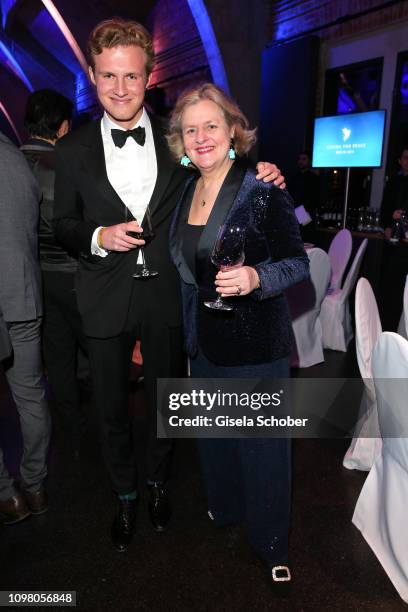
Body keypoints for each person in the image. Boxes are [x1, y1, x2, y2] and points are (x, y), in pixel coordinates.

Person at [54, 17, 284, 553]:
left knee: (165, 402)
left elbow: (219, 164)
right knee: (110, 407)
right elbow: (62, 223)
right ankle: (125, 495)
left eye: (131, 76)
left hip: (166, 297)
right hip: (104, 297)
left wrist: (263, 172)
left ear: (148, 76)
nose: (119, 87)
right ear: (92, 74)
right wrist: (97, 235)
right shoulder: (71, 150)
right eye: (108, 75)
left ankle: (158, 484)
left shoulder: (175, 138)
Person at [167, 83, 310, 585]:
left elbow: (298, 264)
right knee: (215, 436)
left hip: (254, 343)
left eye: (211, 125)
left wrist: (256, 278)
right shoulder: (185, 188)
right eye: (190, 129)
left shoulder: (262, 187)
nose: (201, 136)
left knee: (262, 445)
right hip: (203, 339)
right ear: (181, 140)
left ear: (232, 131)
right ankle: (225, 508)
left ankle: (272, 541)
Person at [21, 89, 88, 456]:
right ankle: (107, 430)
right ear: (63, 127)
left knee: (57, 357)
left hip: (35, 279)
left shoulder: (13, 162)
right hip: (73, 274)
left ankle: (72, 433)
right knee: (97, 350)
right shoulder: (64, 166)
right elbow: (75, 227)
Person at [0, 131, 51, 525]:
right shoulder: (18, 161)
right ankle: (34, 486)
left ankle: (7, 495)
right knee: (31, 398)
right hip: (23, 294)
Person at [380, 146, 408, 237]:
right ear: (399, 161)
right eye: (405, 158)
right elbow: (385, 207)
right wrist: (387, 226)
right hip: (393, 230)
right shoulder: (392, 182)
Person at [288, 150, 320, 221]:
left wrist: (300, 211)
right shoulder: (294, 178)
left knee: (304, 230)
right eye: (299, 159)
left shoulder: (314, 178)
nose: (301, 161)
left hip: (305, 212)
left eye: (304, 159)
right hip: (293, 211)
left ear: (309, 161)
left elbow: (315, 198)